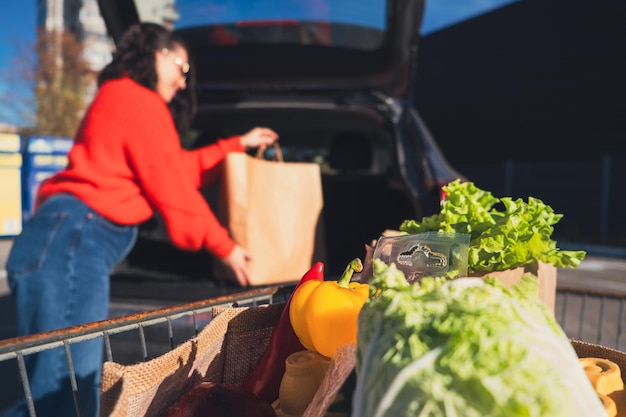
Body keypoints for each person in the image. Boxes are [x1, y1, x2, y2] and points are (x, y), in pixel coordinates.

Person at [3, 22, 278, 417]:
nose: (183, 84)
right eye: (181, 68)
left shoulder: (123, 99)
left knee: (58, 393)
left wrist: (236, 146)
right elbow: (173, 185)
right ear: (157, 53)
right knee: (63, 397)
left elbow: (174, 168)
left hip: (65, 240)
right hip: (73, 240)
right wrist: (227, 248)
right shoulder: (136, 99)